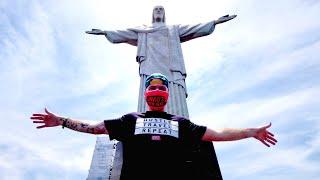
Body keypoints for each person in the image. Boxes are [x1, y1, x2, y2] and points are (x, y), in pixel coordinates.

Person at [30, 73, 277, 180]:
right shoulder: (130, 120)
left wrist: (250, 132)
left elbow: (217, 134)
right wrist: (61, 121)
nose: (157, 90)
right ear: (146, 93)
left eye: (161, 88)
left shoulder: (181, 124)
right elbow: (94, 128)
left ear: (167, 95)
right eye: (153, 87)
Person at [86, 5, 237, 117]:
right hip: (150, 66)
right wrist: (105, 32)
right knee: (150, 89)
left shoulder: (173, 29)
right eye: (156, 9)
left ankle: (179, 122)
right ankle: (146, 122)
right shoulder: (142, 29)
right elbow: (124, 33)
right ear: (152, 14)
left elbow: (195, 28)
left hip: (171, 67)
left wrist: (215, 22)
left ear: (164, 14)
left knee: (174, 95)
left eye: (161, 9)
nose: (158, 11)